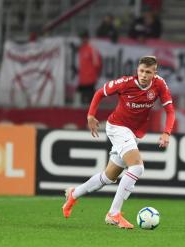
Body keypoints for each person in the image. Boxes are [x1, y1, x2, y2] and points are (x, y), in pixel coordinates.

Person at [62, 56, 175, 229]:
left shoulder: (159, 84)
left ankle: (74, 193)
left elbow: (170, 111)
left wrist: (167, 133)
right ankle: (113, 213)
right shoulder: (125, 83)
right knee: (137, 167)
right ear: (137, 70)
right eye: (142, 71)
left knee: (108, 177)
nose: (144, 75)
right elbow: (100, 93)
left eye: (148, 72)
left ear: (155, 73)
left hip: (133, 134)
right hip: (117, 127)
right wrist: (90, 115)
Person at [78, 31, 102, 105]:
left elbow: (97, 64)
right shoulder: (81, 49)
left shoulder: (91, 49)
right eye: (81, 38)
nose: (82, 40)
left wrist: (95, 76)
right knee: (82, 104)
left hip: (90, 80)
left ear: (87, 38)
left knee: (90, 104)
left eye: (83, 38)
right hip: (82, 80)